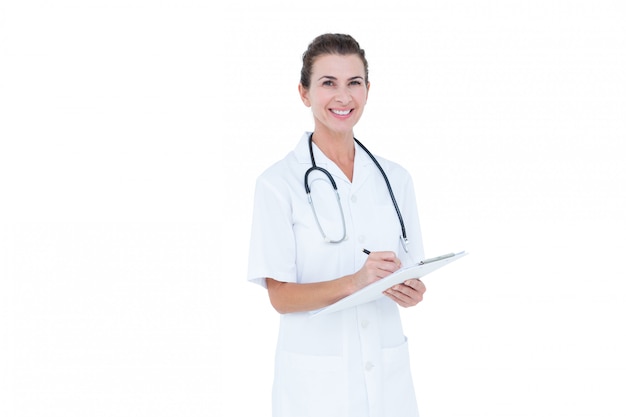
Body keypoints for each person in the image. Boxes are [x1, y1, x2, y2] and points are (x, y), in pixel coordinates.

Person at [247, 33, 427, 417]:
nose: (343, 97)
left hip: (388, 377)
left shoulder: (396, 179)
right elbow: (280, 297)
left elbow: (411, 269)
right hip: (316, 387)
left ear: (367, 89)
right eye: (328, 83)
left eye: (354, 83)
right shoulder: (278, 184)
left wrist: (412, 290)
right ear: (304, 93)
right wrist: (355, 282)